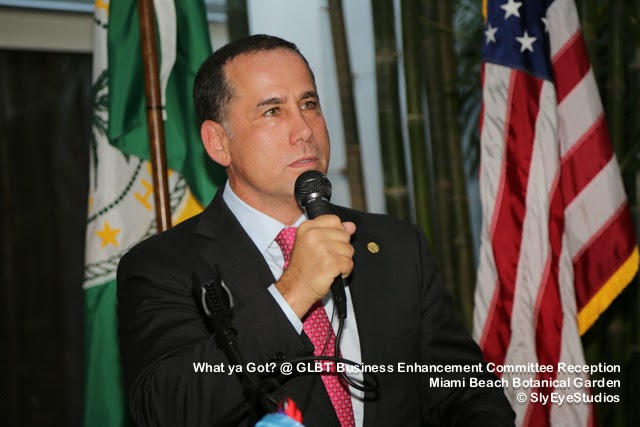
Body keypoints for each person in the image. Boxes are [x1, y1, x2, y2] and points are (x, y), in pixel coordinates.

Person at [117, 34, 515, 427]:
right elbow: (166, 409)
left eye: (309, 104)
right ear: (218, 142)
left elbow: (467, 393)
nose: (304, 129)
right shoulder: (163, 266)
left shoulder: (395, 245)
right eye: (273, 111)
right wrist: (292, 293)